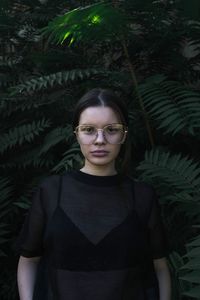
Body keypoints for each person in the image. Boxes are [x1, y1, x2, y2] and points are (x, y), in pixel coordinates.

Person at [17, 88, 171, 300]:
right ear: (76, 134)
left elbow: (160, 266)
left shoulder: (143, 196)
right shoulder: (51, 192)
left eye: (111, 129)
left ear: (124, 134)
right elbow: (28, 260)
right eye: (89, 130)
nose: (100, 140)